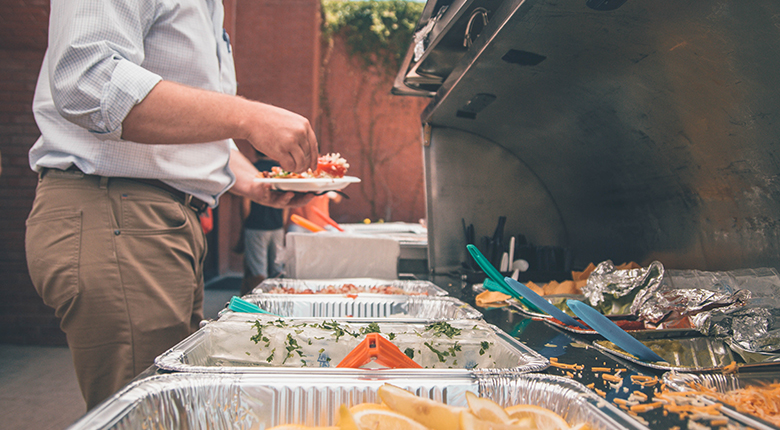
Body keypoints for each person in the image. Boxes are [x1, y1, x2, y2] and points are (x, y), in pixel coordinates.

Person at [25, 0, 317, 410]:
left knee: (171, 411)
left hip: (155, 222)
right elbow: (87, 79)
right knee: (150, 416)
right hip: (119, 212)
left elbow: (198, 129)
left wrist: (255, 183)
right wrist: (248, 116)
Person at [239, 152, 287, 296]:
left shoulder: (252, 170)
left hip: (256, 225)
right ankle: (278, 299)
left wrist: (245, 222)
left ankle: (259, 303)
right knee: (277, 269)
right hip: (277, 226)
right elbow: (286, 204)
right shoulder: (280, 172)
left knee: (257, 271)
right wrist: (282, 223)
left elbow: (245, 202)